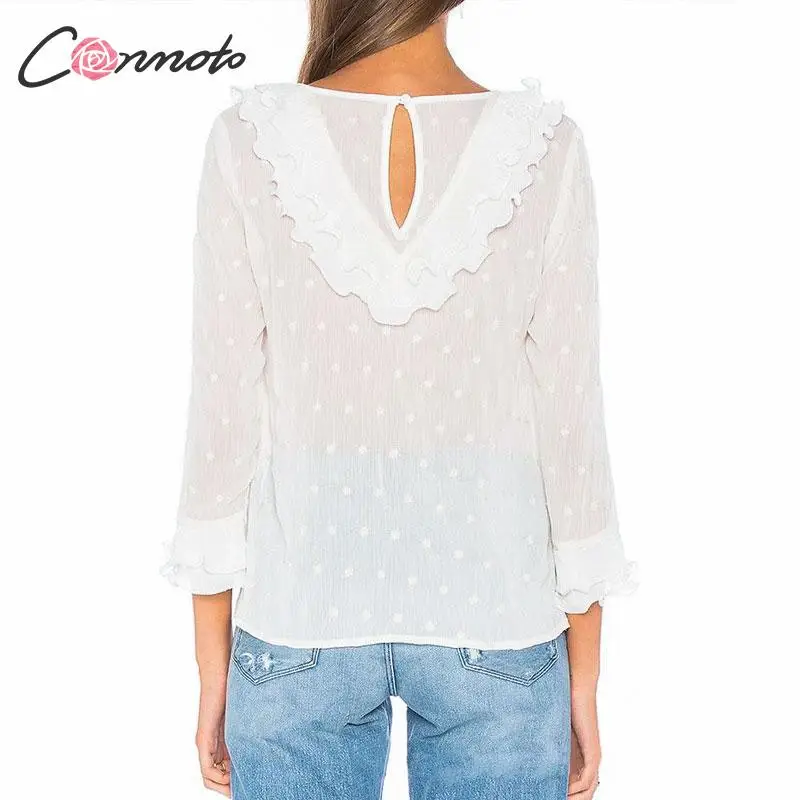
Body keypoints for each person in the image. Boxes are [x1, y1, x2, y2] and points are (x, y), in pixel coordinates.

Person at [160, 2, 637, 798]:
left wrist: (214, 666)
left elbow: (222, 416)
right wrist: (583, 675)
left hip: (298, 615)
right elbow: (571, 423)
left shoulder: (250, 139)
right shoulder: (545, 146)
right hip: (499, 617)